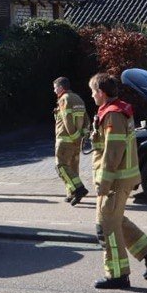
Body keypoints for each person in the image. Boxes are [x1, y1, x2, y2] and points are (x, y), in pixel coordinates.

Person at [88, 72, 147, 289]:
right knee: (116, 220)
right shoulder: (116, 110)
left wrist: (103, 183)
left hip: (114, 181)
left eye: (93, 92)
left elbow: (112, 153)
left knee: (107, 226)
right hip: (120, 179)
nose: (92, 95)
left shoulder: (113, 115)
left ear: (101, 92)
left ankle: (118, 275)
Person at [52, 77, 89, 205]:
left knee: (61, 166)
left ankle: (78, 189)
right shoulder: (78, 99)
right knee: (73, 167)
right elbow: (86, 119)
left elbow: (67, 120)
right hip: (76, 141)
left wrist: (75, 137)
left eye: (55, 88)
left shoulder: (64, 99)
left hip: (65, 140)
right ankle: (71, 194)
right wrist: (83, 136)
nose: (54, 90)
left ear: (61, 88)